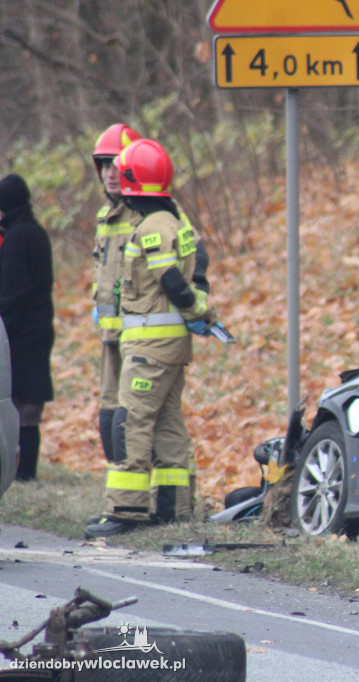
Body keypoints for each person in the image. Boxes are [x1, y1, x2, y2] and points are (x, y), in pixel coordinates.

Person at [85, 139, 215, 538]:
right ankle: (172, 506)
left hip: (150, 350)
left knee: (131, 422)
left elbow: (172, 282)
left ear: (131, 184)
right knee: (168, 423)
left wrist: (197, 311)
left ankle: (126, 509)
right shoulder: (173, 221)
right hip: (170, 349)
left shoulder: (153, 229)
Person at [92, 123, 142, 463]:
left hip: (140, 337)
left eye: (117, 164)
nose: (111, 173)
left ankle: (141, 496)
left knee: (133, 418)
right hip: (111, 336)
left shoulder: (145, 214)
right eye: (104, 165)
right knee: (108, 415)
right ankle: (118, 493)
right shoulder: (104, 217)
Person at [0, 174, 55, 481]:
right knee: (27, 405)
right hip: (37, 329)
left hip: (21, 335)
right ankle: (24, 473)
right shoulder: (34, 232)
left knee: (21, 405)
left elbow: (12, 293)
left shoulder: (18, 239)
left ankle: (23, 474)